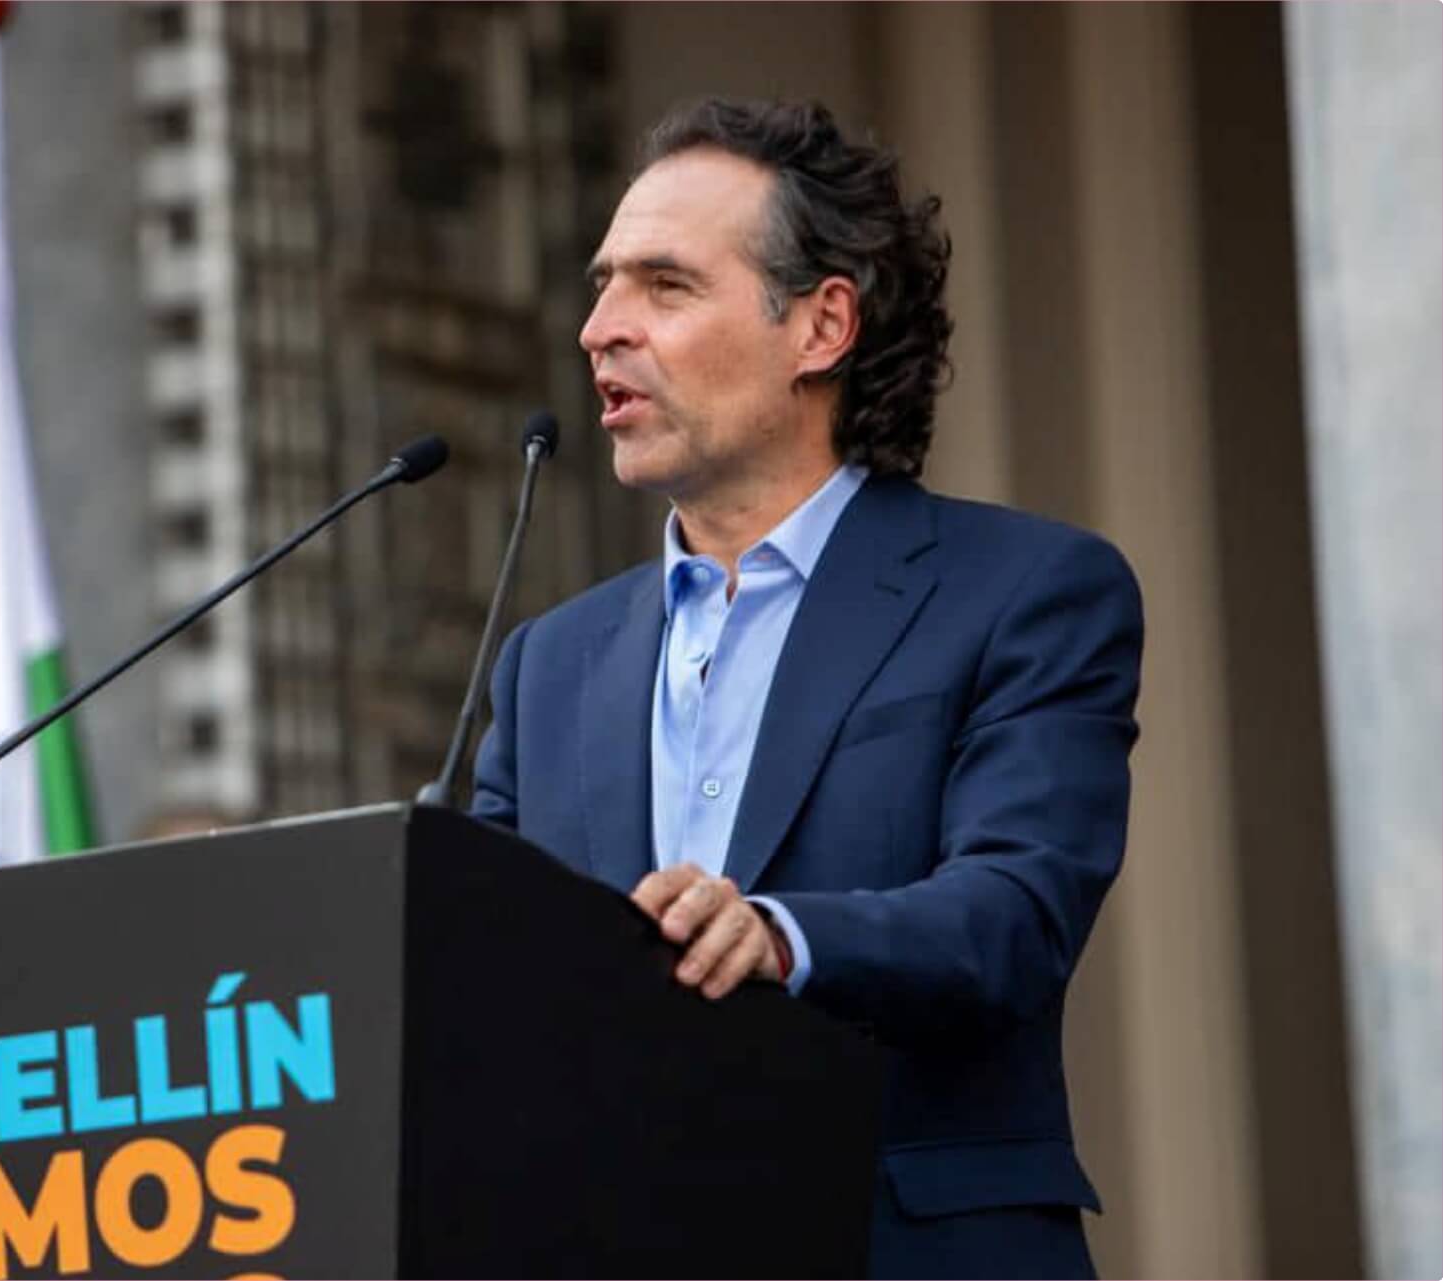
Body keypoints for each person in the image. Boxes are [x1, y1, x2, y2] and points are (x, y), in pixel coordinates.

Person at [470, 97, 1142, 1279]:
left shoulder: (1025, 591)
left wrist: (778, 936)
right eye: (603, 285)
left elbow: (1014, 914)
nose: (599, 329)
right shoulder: (548, 666)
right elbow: (477, 974)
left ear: (821, 325)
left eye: (664, 286)